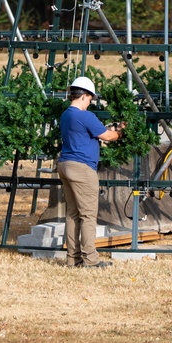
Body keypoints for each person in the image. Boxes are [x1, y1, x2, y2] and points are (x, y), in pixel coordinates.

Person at [57, 75, 124, 268]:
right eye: (91, 99)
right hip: (82, 169)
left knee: (73, 214)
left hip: (65, 164)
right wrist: (121, 132)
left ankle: (73, 259)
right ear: (85, 95)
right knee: (87, 215)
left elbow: (88, 133)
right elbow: (108, 136)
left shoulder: (66, 114)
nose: (91, 103)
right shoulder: (85, 115)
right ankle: (91, 260)